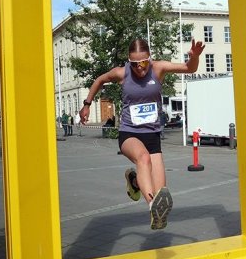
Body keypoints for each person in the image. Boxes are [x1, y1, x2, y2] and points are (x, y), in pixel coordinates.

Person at [79, 38, 205, 230]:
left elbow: (190, 68)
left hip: (152, 135)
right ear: (129, 62)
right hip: (129, 133)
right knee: (143, 159)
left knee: (161, 190)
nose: (140, 68)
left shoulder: (159, 68)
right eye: (135, 64)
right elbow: (99, 80)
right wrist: (87, 105)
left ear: (149, 58)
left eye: (144, 62)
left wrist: (195, 57)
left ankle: (135, 181)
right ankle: (153, 210)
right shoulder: (121, 73)